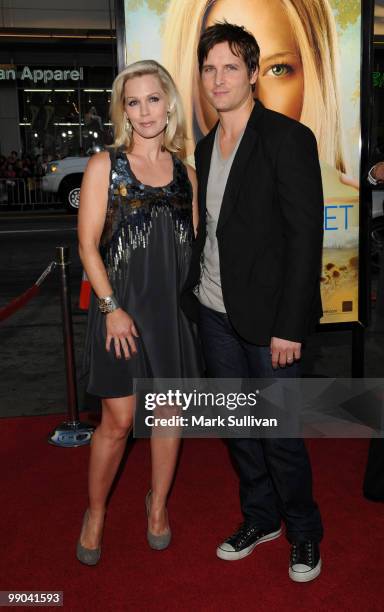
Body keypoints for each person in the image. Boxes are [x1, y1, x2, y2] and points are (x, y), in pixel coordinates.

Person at [181, 22, 324, 582]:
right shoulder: (203, 144)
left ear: (253, 74)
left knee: (279, 433)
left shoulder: (288, 139)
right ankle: (260, 519)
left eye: (230, 68)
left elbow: (304, 239)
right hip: (214, 313)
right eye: (209, 69)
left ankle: (305, 531)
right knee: (240, 430)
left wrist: (289, 326)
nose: (218, 79)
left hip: (270, 325)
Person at [77, 59, 202, 565]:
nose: (145, 110)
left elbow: (193, 251)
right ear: (123, 110)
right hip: (120, 312)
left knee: (168, 414)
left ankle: (157, 505)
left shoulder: (188, 174)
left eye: (154, 98)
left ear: (169, 103)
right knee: (119, 419)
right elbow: (87, 246)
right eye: (134, 101)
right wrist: (111, 308)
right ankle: (97, 511)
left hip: (171, 316)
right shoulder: (104, 166)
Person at [163, 0, 346, 172]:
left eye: (277, 69)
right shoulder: (203, 154)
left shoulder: (295, 144)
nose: (253, 93)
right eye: (211, 69)